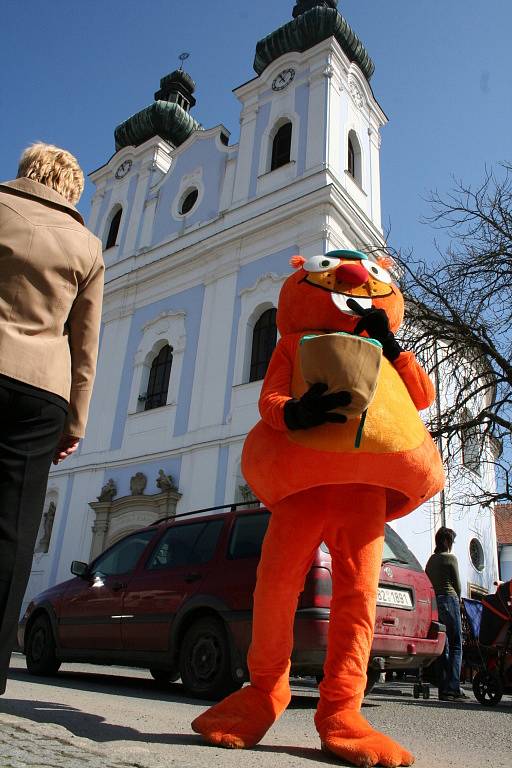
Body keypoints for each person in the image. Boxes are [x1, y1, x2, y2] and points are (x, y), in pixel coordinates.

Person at [0, 143, 104, 694]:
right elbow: (85, 344)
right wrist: (76, 419)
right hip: (41, 391)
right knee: (15, 532)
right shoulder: (87, 243)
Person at [425, 527, 466, 701]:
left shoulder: (431, 560)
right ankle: (454, 687)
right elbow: (457, 585)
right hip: (450, 600)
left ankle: (444, 688)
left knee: (444, 646)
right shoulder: (450, 558)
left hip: (436, 602)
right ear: (448, 541)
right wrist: (460, 602)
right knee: (457, 644)